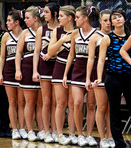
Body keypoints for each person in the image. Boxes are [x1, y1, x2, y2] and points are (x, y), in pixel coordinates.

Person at [93, 10, 131, 147]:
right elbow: (101, 60)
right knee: (114, 110)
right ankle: (119, 142)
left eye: (120, 17)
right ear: (111, 22)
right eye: (114, 18)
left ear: (125, 19)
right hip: (113, 78)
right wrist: (99, 77)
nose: (117, 19)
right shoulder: (107, 38)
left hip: (129, 77)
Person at [63, 6, 99, 147]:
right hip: (77, 72)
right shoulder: (75, 34)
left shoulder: (97, 34)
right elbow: (71, 54)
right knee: (77, 104)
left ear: (85, 18)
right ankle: (80, 134)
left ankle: (89, 134)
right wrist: (66, 74)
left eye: (77, 17)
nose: (75, 19)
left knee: (90, 105)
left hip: (92, 71)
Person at [42, 5, 77, 145]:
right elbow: (50, 51)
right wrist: (62, 41)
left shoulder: (78, 31)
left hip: (76, 68)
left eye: (62, 16)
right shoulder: (57, 31)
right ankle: (59, 134)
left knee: (73, 104)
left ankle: (73, 133)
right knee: (60, 103)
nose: (59, 18)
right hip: (59, 66)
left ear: (70, 18)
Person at [85, 9, 115, 148]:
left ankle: (110, 136)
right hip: (99, 74)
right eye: (105, 20)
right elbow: (91, 59)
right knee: (101, 106)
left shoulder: (116, 35)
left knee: (111, 108)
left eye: (110, 20)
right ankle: (102, 138)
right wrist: (88, 78)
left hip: (114, 73)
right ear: (100, 21)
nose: (108, 23)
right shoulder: (95, 37)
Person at [15, 6, 44, 142]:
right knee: (30, 102)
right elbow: (18, 53)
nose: (25, 20)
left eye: (27, 18)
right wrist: (18, 70)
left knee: (42, 102)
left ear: (36, 18)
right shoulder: (25, 33)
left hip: (43, 68)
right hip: (27, 68)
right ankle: (30, 130)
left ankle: (43, 130)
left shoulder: (45, 31)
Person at [0, 9, 27, 140]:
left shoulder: (26, 34)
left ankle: (22, 128)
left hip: (23, 69)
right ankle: (14, 129)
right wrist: (0, 74)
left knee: (22, 102)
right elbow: (2, 57)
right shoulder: (5, 36)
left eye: (9, 21)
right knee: (12, 102)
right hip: (9, 70)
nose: (7, 23)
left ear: (16, 22)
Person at [32, 2, 59, 143]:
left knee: (56, 102)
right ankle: (46, 131)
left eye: (47, 12)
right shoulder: (41, 29)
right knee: (46, 101)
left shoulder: (62, 29)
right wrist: (35, 70)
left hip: (58, 65)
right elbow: (36, 51)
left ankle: (55, 131)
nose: (44, 14)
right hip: (44, 66)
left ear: (54, 13)